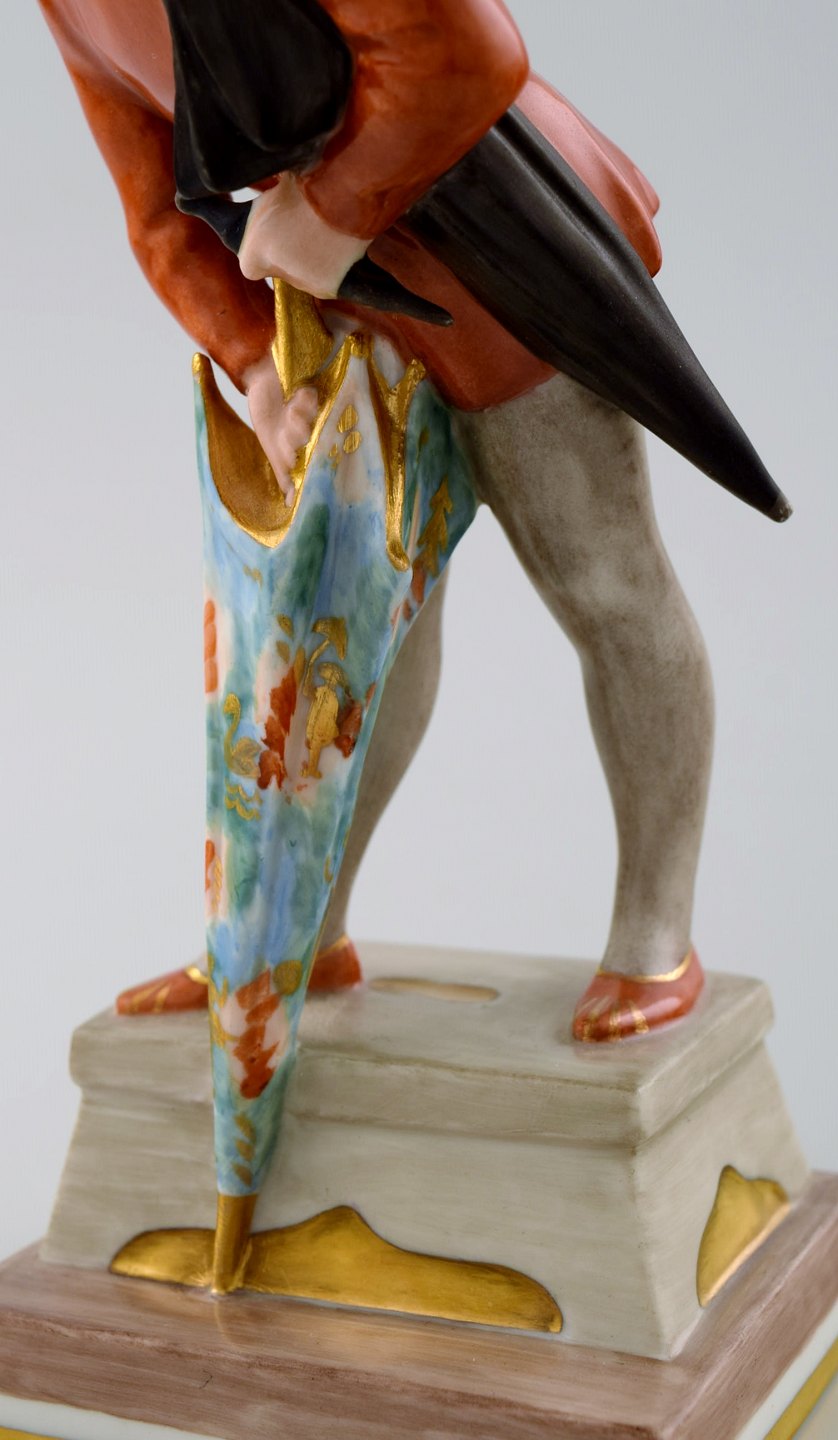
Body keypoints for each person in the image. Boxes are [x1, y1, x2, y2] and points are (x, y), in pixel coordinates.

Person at [41, 0, 721, 1041]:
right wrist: (256, 366)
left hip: (507, 267)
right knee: (354, 635)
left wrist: (329, 213)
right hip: (345, 308)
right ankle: (299, 941)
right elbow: (158, 206)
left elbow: (468, 50)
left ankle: (655, 938)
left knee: (605, 585)